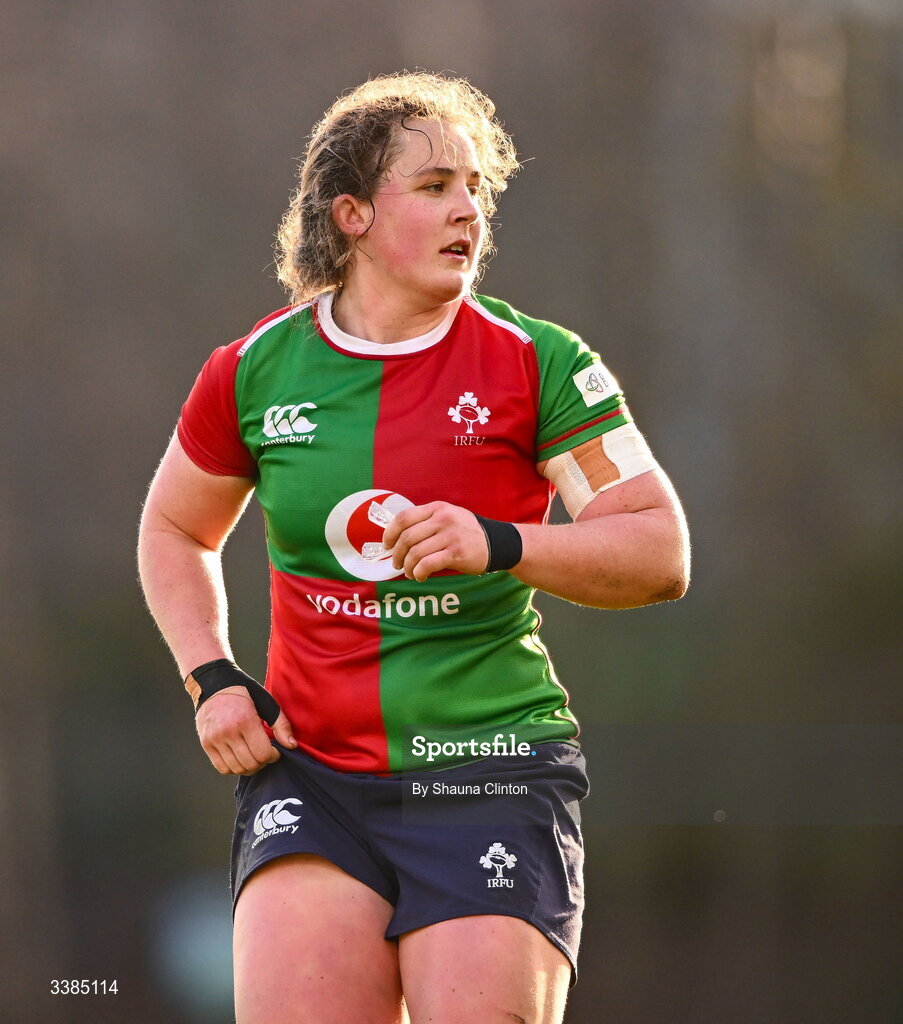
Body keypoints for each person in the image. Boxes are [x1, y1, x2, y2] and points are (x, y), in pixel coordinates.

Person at [138, 71, 689, 1024]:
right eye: (435, 186)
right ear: (350, 213)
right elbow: (174, 529)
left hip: (488, 770)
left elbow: (658, 552)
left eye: (478, 188)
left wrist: (501, 543)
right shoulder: (252, 370)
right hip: (310, 776)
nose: (467, 209)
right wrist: (212, 676)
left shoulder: (541, 362)